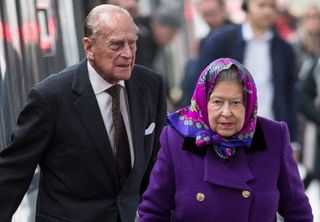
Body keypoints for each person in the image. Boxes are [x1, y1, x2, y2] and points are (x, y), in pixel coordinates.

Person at [0, 4, 167, 222]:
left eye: (132, 43)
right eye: (116, 45)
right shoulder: (51, 97)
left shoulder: (151, 85)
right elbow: (14, 172)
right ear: (89, 47)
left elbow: (158, 164)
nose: (127, 53)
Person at [137, 58, 313, 221]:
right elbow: (153, 211)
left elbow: (298, 212)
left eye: (236, 102)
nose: (226, 112)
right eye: (217, 102)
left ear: (249, 103)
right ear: (202, 102)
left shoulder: (273, 136)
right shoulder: (177, 139)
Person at [194, 0, 299, 144]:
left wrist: (292, 140)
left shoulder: (284, 49)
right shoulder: (222, 40)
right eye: (261, 5)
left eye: (272, 7)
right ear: (247, 6)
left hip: (270, 129)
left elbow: (290, 95)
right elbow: (200, 86)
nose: (267, 11)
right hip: (228, 131)